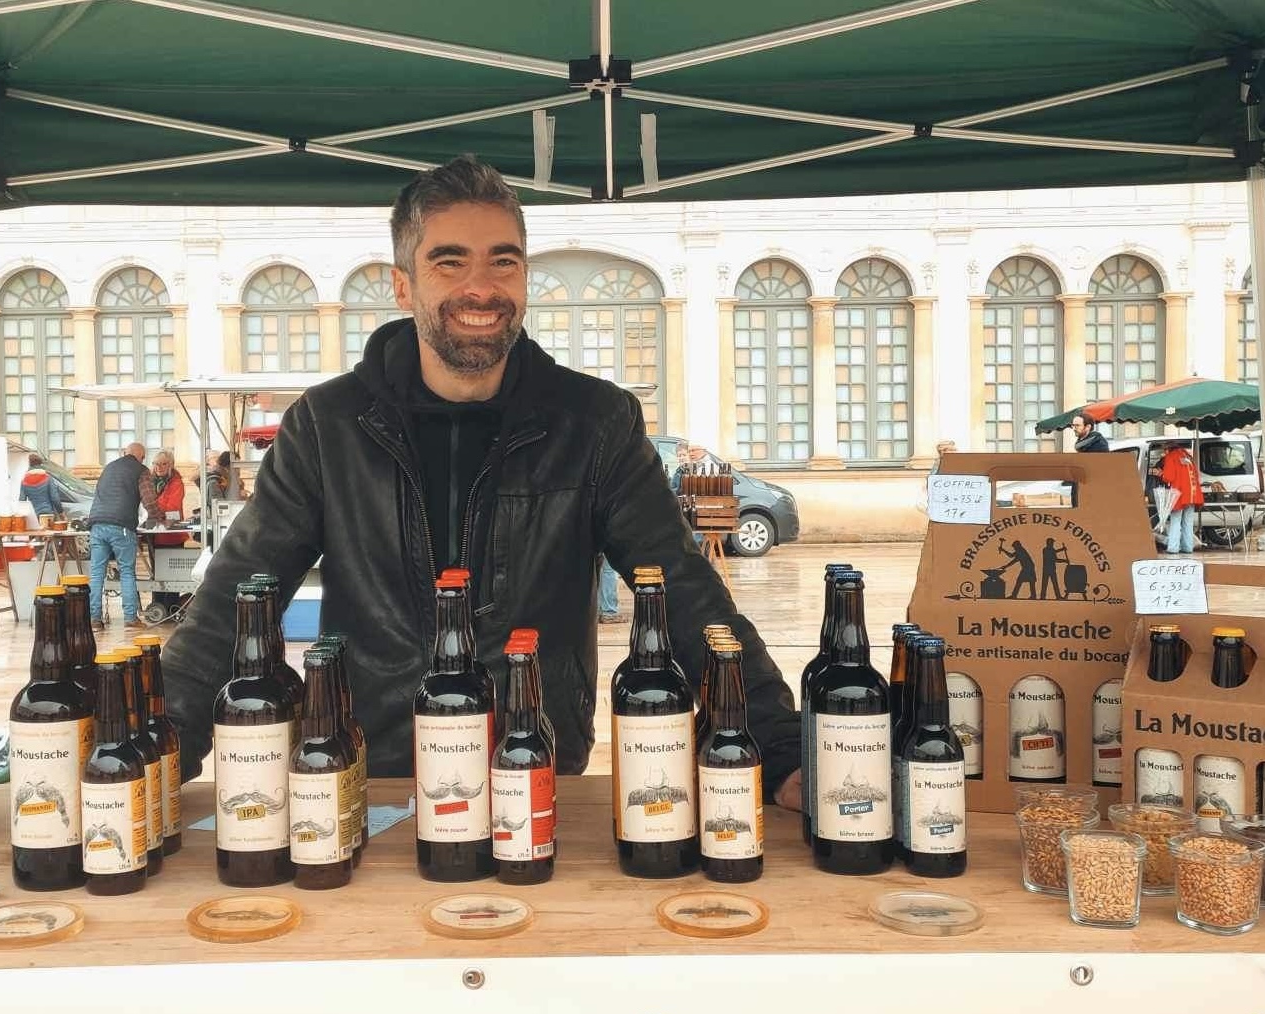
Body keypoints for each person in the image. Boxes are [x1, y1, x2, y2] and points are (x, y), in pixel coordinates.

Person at [161, 156, 801, 810]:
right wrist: (158, 749)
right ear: (403, 286)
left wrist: (779, 749)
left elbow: (682, 586)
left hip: (532, 758)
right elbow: (237, 600)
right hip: (375, 769)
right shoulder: (327, 427)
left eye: (503, 261)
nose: (481, 288)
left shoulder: (593, 422)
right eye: (448, 262)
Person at [88, 441, 161, 631]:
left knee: (96, 574)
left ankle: (94, 620)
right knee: (127, 571)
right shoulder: (142, 470)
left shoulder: (109, 468)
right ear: (142, 457)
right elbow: (149, 500)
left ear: (124, 453)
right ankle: (130, 618)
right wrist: (158, 518)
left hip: (97, 524)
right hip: (121, 526)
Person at [150, 450, 189, 618]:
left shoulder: (176, 482)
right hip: (155, 535)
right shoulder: (149, 481)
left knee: (172, 574)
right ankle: (158, 608)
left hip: (173, 536)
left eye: (163, 464)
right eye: (156, 464)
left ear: (171, 465)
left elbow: (172, 506)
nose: (159, 467)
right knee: (157, 573)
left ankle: (171, 609)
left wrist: (153, 509)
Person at [1158, 442, 1203, 554]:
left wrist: (1160, 474)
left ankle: (1173, 548)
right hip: (1193, 494)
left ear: (1168, 449)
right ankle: (1187, 547)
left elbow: (1169, 476)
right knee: (1188, 522)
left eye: (1164, 450)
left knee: (1176, 521)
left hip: (1179, 494)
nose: (1164, 453)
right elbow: (1197, 475)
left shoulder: (1171, 456)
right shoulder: (1187, 456)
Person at [18, 453, 65, 520]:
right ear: (40, 464)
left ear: (30, 464)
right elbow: (55, 498)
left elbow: (22, 500)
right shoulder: (47, 478)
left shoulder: (24, 481)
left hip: (34, 515)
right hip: (48, 513)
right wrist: (61, 512)